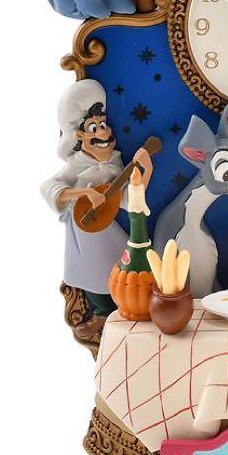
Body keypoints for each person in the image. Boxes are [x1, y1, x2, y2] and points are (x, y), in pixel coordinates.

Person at [41, 79, 152, 339]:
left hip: (106, 226)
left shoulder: (114, 163)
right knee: (91, 272)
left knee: (120, 265)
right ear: (80, 137)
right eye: (94, 127)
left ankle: (120, 313)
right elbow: (49, 187)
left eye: (103, 125)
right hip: (83, 229)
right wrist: (84, 192)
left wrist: (146, 169)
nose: (103, 132)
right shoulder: (76, 165)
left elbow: (128, 199)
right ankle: (102, 316)